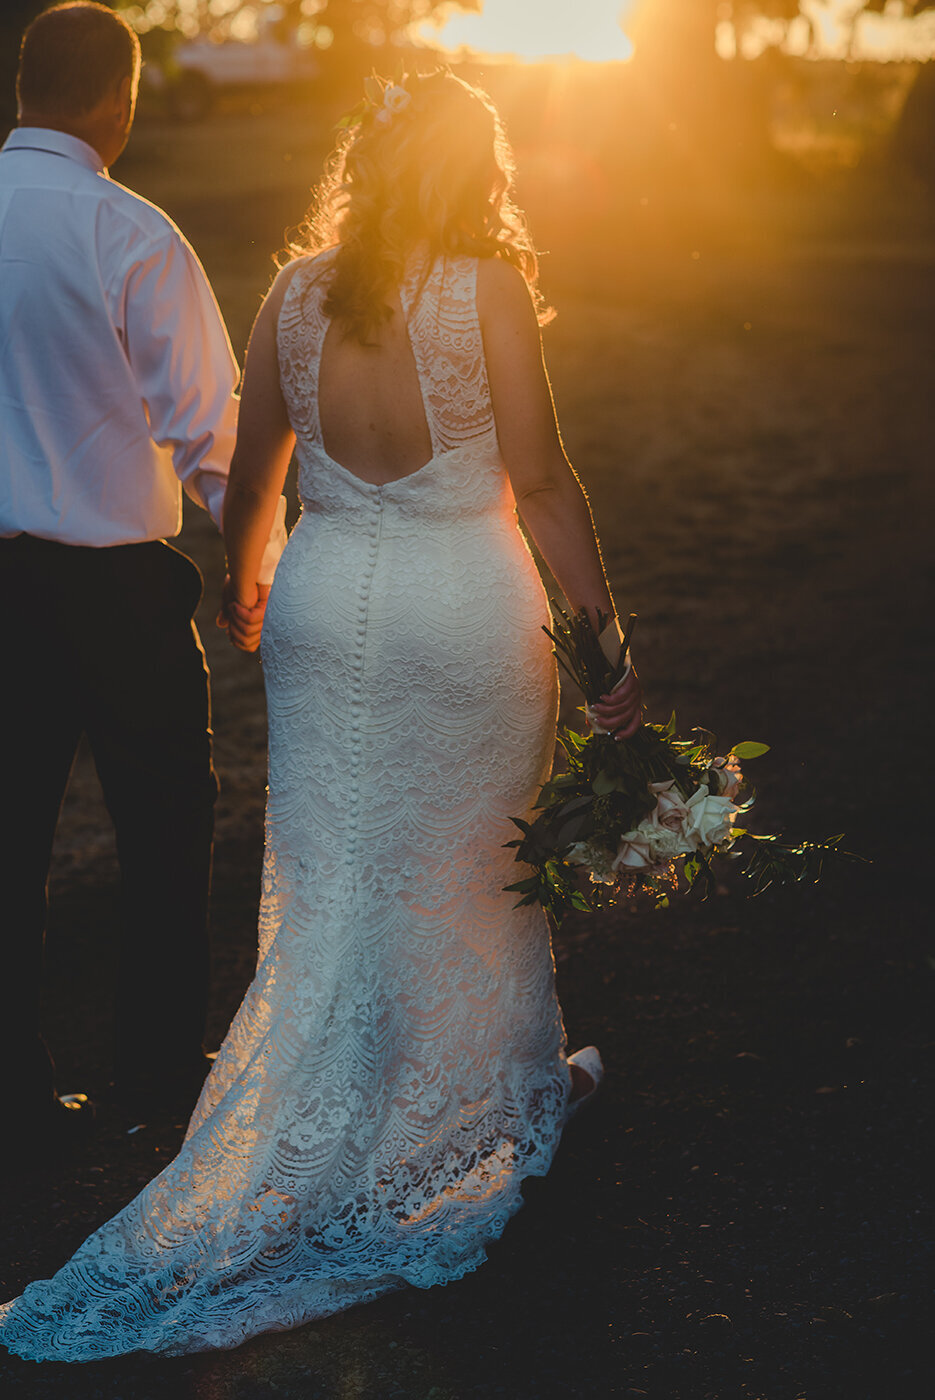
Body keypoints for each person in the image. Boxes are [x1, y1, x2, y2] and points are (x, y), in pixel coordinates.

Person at [0, 68, 641, 1360]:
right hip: (462, 605)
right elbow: (544, 483)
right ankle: (492, 1105)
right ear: (474, 175)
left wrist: (245, 588)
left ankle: (363, 1100)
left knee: (340, 869)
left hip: (328, 600)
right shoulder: (488, 293)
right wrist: (606, 646)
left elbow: (252, 481)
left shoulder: (294, 296)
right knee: (467, 862)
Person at [0, 0, 284, 1146]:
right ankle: (155, 1082)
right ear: (119, 100)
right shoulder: (129, 232)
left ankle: (11, 1096)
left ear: (25, 87)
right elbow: (214, 434)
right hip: (118, 594)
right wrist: (251, 568)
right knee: (164, 830)